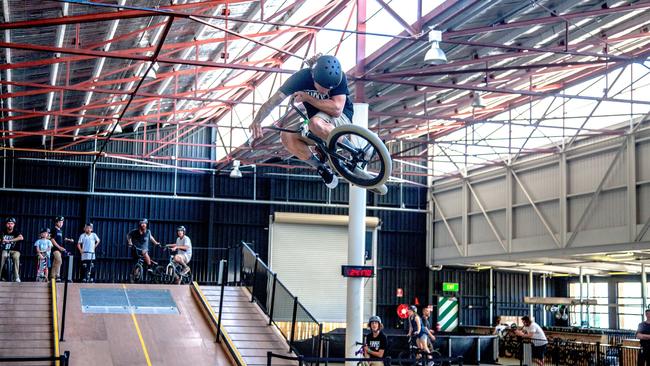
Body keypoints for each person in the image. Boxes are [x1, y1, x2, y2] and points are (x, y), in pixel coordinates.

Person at [249, 54, 352, 190]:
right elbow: (272, 102)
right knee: (287, 135)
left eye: (330, 88)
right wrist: (257, 120)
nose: (327, 90)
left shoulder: (339, 76)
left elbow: (337, 109)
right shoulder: (299, 79)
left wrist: (308, 98)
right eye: (324, 87)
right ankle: (322, 169)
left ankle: (352, 151)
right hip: (316, 125)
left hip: (341, 120)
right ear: (314, 77)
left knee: (315, 123)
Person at [49, 216, 74, 281]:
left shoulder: (60, 231)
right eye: (60, 222)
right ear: (56, 222)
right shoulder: (54, 229)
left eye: (62, 222)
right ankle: (57, 276)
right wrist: (59, 247)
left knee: (56, 262)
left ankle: (52, 276)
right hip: (55, 248)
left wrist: (68, 239)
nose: (61, 224)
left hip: (59, 249)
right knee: (59, 260)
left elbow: (62, 238)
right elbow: (52, 239)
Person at [0, 217, 23, 282]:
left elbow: (21, 237)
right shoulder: (2, 231)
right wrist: (2, 240)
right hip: (5, 249)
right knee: (3, 256)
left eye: (11, 223)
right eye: (8, 223)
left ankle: (16, 277)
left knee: (16, 257)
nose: (10, 225)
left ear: (14, 224)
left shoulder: (16, 231)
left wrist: (9, 240)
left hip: (15, 250)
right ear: (6, 224)